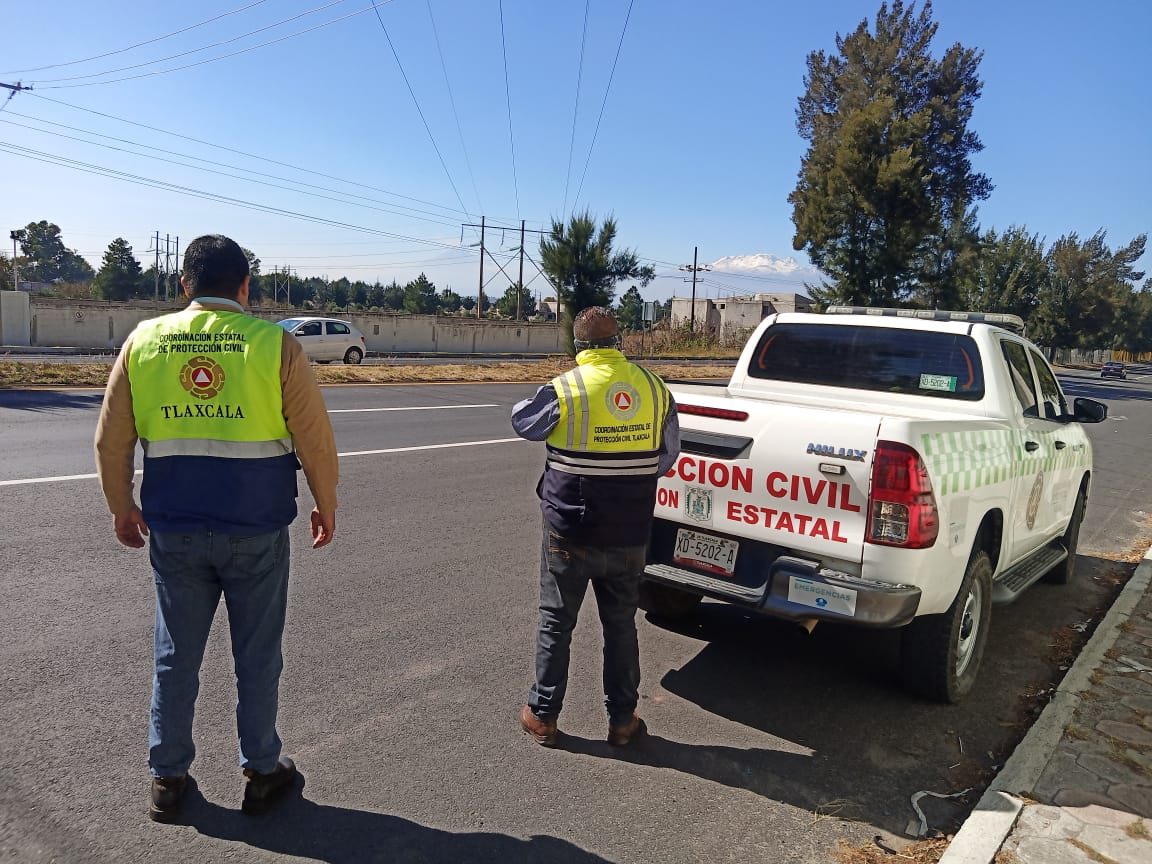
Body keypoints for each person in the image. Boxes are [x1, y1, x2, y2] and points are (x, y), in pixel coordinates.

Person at [94, 234, 339, 821]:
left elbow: (110, 439)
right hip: (255, 530)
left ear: (185, 285)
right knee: (257, 655)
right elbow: (315, 439)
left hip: (174, 530)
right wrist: (325, 503)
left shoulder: (144, 341)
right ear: (246, 287)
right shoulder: (274, 345)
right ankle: (260, 769)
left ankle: (168, 777)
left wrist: (120, 506)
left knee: (175, 654)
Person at [512, 306, 679, 748]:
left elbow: (524, 423)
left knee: (556, 622)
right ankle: (623, 722)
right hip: (630, 531)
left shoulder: (564, 389)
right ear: (619, 342)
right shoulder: (655, 388)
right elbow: (668, 454)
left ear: (578, 346)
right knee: (621, 626)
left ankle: (543, 716)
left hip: (570, 529)